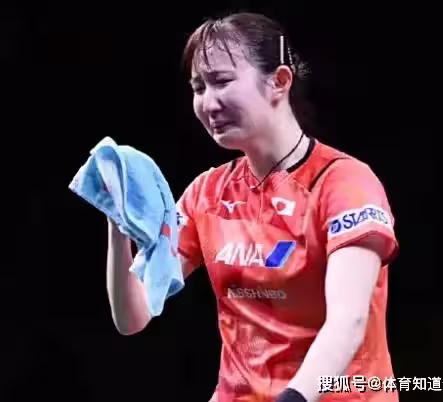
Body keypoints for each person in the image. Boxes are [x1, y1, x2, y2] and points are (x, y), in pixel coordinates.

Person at [106, 11, 399, 402]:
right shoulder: (207, 194)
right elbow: (133, 315)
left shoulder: (344, 184)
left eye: (222, 81)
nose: (208, 102)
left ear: (279, 81)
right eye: (198, 87)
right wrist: (118, 226)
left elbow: (349, 321)